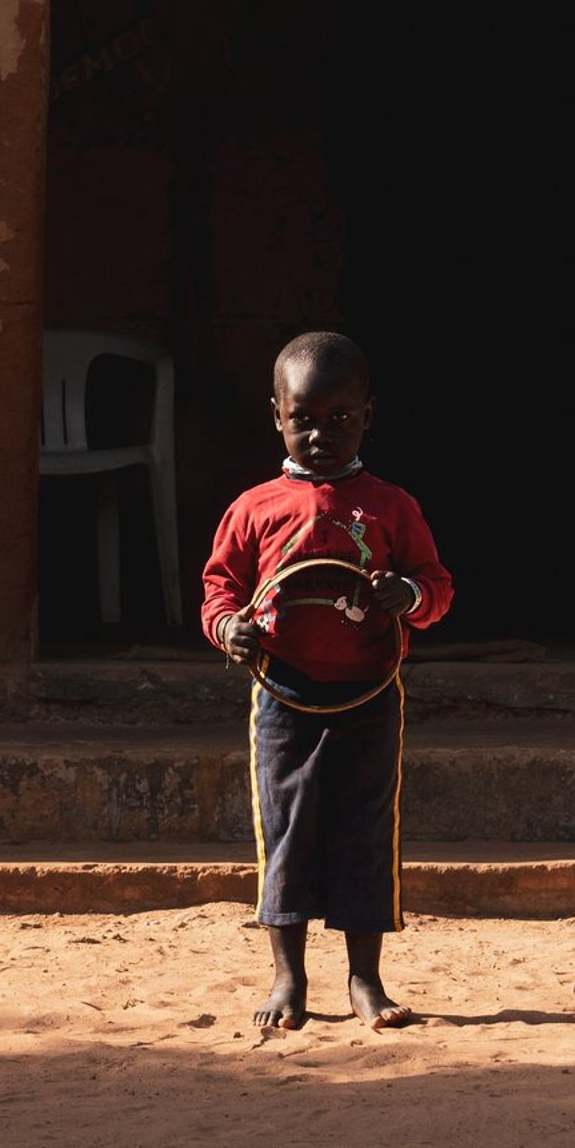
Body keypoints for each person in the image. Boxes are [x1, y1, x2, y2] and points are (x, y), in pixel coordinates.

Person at [201, 331, 453, 1032]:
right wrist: (230, 632)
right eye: (303, 418)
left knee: (364, 830)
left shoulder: (392, 506)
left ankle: (366, 980)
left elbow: (437, 588)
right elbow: (219, 590)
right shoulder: (254, 508)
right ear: (276, 415)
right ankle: (289, 977)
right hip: (283, 696)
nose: (320, 433)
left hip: (369, 697)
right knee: (285, 831)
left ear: (367, 415)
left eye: (339, 418)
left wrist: (405, 595)